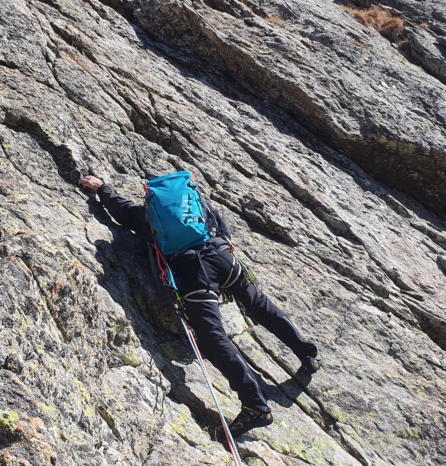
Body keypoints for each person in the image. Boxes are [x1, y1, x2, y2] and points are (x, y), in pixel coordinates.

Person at [80, 173, 321, 437]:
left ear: (152, 196)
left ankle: (254, 405)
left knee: (211, 337)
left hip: (195, 271)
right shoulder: (196, 204)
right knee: (258, 304)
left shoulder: (151, 216)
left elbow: (122, 212)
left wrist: (102, 188)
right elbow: (221, 224)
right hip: (223, 255)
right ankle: (306, 353)